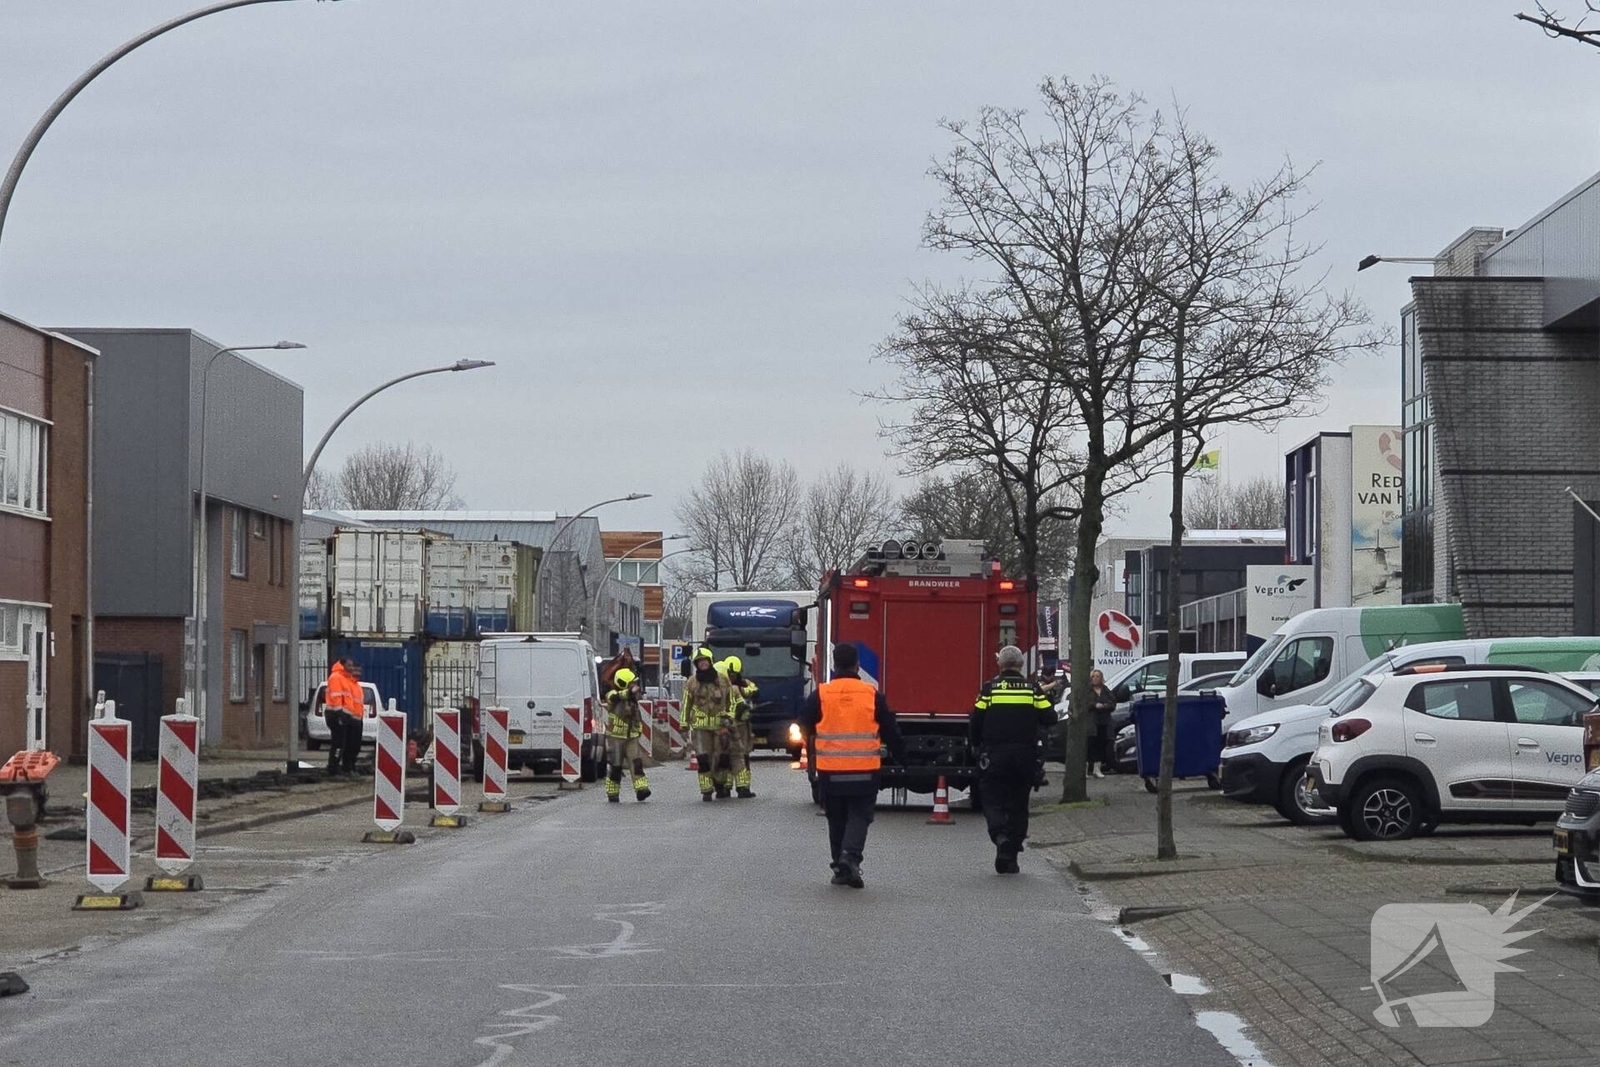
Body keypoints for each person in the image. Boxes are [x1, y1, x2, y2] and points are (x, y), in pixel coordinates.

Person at [798, 642, 905, 889]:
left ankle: (841, 867)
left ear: (834, 665)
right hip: (864, 770)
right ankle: (850, 857)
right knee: (859, 815)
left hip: (830, 772)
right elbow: (891, 730)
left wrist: (818, 736)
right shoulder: (871, 695)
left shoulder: (822, 694)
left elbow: (803, 723)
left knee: (836, 818)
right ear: (857, 664)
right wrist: (902, 758)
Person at [971, 646, 1056, 874]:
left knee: (991, 799)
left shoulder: (990, 689)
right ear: (1020, 665)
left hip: (995, 755)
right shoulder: (1032, 690)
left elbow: (976, 720)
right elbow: (1050, 717)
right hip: (1025, 756)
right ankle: (1011, 855)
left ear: (1000, 665)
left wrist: (975, 745)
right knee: (1019, 805)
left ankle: (1000, 836)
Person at [681, 647, 734, 801]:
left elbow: (732, 702)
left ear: (710, 662)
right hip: (700, 728)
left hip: (720, 727)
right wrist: (683, 724)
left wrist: (729, 717)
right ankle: (706, 790)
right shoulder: (692, 682)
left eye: (705, 661)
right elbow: (686, 704)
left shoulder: (723, 680)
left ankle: (720, 784)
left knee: (722, 759)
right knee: (703, 759)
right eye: (699, 662)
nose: (702, 664)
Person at [603, 668, 652, 803]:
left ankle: (641, 789)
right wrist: (629, 692)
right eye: (631, 684)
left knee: (636, 762)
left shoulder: (633, 698)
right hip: (616, 737)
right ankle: (612, 792)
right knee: (616, 766)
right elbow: (614, 697)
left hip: (631, 736)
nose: (635, 686)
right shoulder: (612, 694)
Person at [323, 657, 365, 778]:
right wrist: (340, 713)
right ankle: (334, 769)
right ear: (342, 665)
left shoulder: (349, 681)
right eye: (350, 665)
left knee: (349, 744)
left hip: (350, 717)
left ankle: (346, 768)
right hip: (338, 715)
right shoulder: (336, 677)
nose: (352, 669)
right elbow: (336, 697)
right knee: (339, 743)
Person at [724, 656, 757, 799]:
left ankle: (738, 787)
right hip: (733, 725)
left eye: (733, 675)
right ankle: (733, 787)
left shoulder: (739, 686)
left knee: (735, 756)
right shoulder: (736, 687)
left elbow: (754, 690)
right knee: (733, 756)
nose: (731, 677)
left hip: (736, 725)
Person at [1084, 668, 1119, 779]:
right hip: (1092, 721)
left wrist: (1105, 706)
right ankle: (1085, 769)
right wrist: (1094, 705)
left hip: (1104, 722)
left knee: (1101, 744)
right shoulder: (1087, 690)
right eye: (1093, 676)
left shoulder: (1106, 690)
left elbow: (1113, 702)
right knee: (1090, 745)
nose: (1095, 678)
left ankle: (1097, 769)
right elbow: (1084, 703)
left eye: (1097, 676)